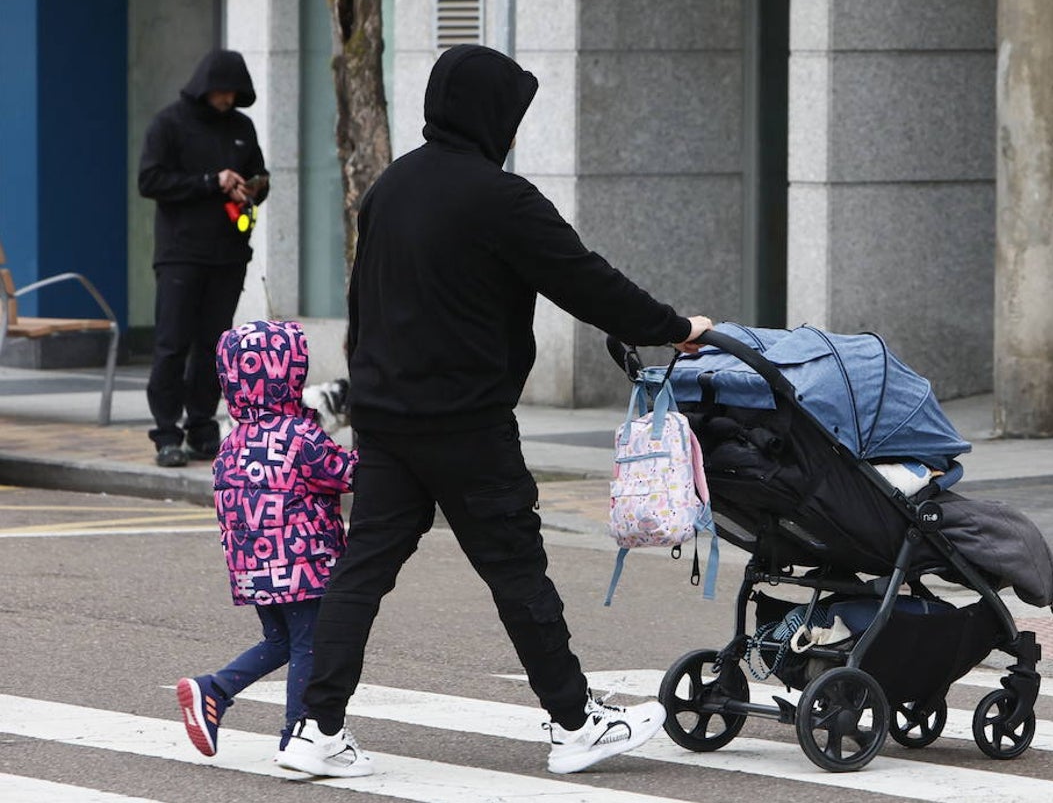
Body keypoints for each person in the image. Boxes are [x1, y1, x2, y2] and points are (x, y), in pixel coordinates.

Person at [275, 43, 713, 779]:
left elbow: (362, 304)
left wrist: (365, 394)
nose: (514, 131)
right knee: (516, 570)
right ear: (488, 115)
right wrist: (675, 328)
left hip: (387, 419)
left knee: (363, 570)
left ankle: (314, 729)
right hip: (466, 422)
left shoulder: (389, 189)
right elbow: (587, 283)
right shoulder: (500, 198)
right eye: (511, 115)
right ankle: (575, 723)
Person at [176, 319, 357, 759]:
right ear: (290, 376)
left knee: (280, 641)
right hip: (303, 565)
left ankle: (213, 690)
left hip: (255, 567)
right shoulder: (301, 437)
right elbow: (348, 474)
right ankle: (298, 733)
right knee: (308, 646)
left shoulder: (232, 441)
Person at [138, 48, 270, 468]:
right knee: (173, 343)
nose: (227, 99)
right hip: (180, 253)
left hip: (229, 253)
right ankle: (166, 433)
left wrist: (252, 188)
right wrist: (210, 181)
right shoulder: (169, 124)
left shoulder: (242, 128)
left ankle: (202, 429)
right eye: (220, 91)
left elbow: (261, 177)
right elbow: (150, 179)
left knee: (215, 345)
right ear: (204, 87)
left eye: (234, 92)